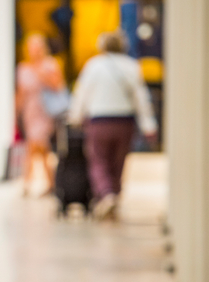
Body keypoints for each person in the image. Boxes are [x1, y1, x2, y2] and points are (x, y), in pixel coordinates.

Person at [68, 31, 158, 220]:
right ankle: (115, 195)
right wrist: (149, 125)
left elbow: (82, 93)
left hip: (99, 121)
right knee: (118, 161)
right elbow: (140, 98)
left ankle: (106, 194)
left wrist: (75, 117)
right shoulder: (131, 66)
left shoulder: (94, 66)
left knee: (98, 159)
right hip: (124, 122)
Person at [15, 33, 65, 196]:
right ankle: (47, 183)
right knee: (37, 148)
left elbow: (58, 86)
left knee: (38, 146)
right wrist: (16, 113)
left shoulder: (51, 65)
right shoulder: (23, 68)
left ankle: (31, 183)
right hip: (30, 112)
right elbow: (21, 93)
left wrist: (40, 72)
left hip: (45, 111)